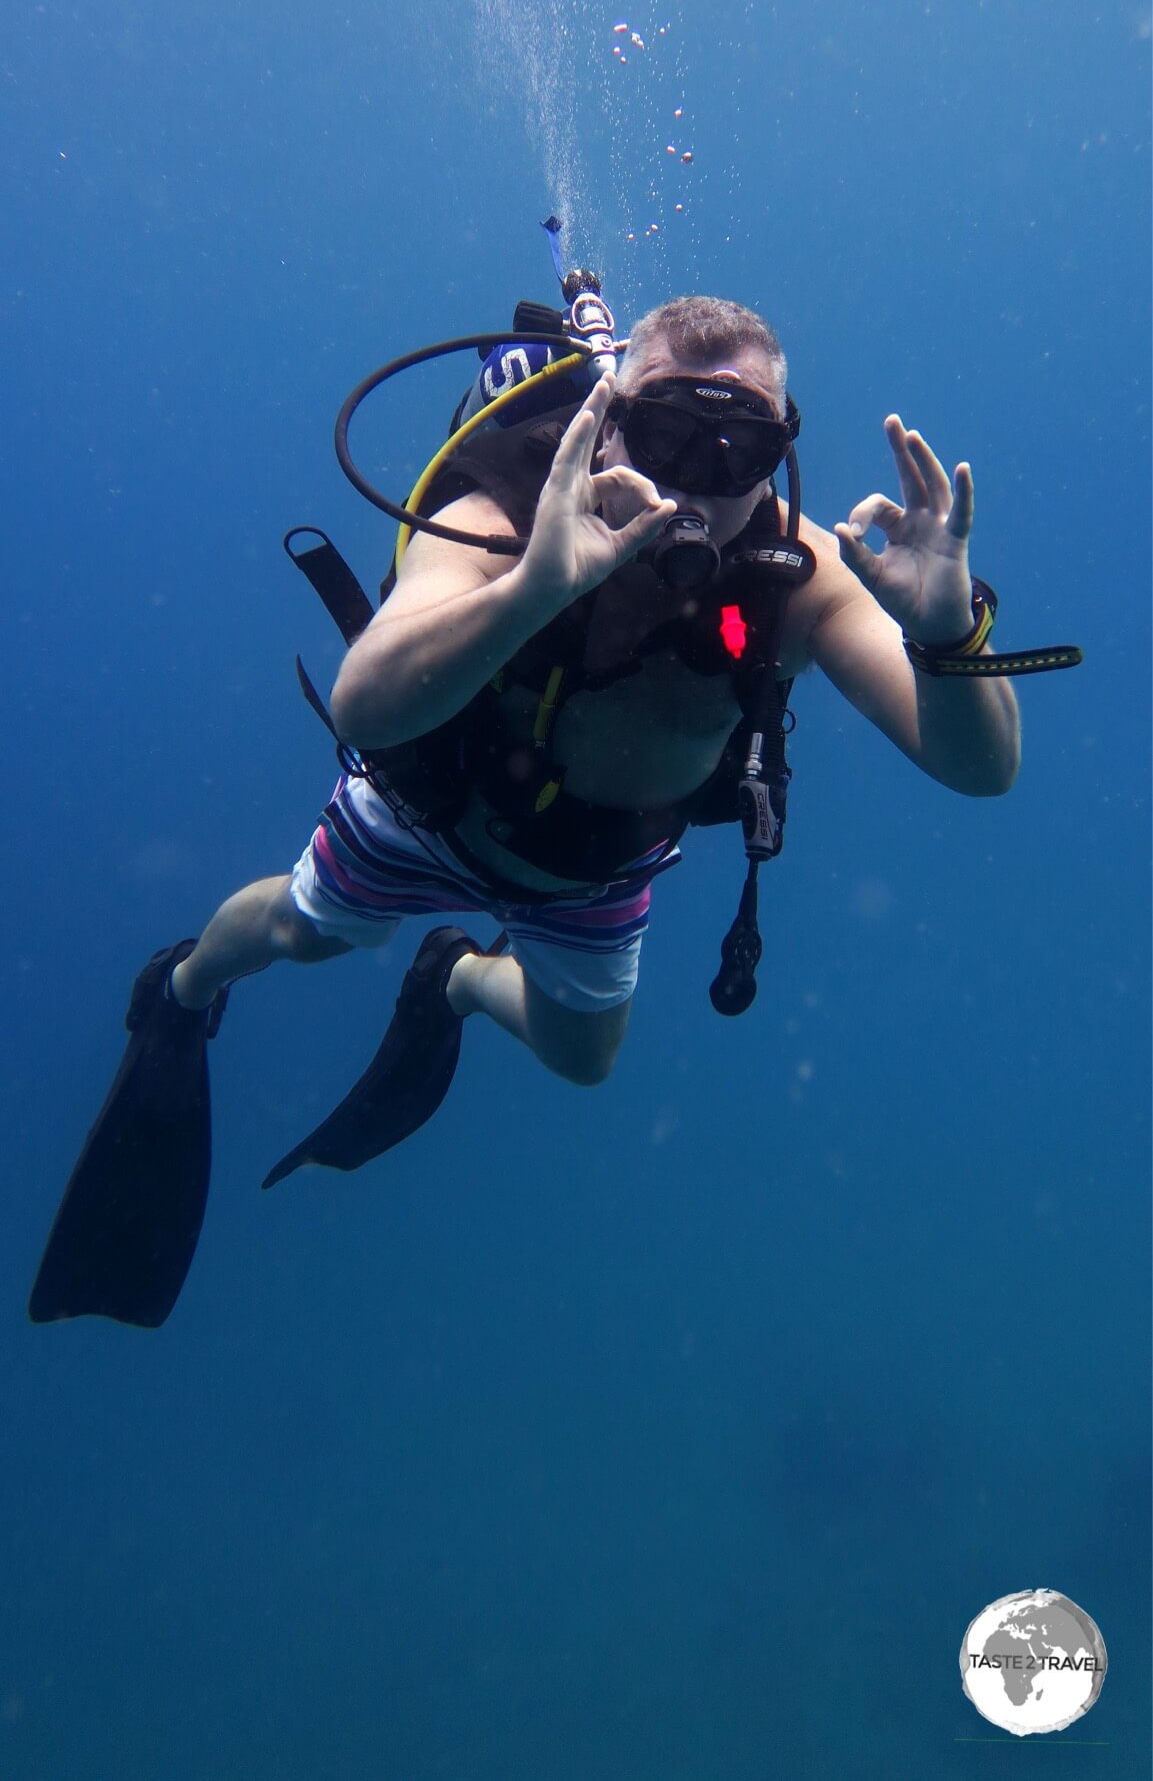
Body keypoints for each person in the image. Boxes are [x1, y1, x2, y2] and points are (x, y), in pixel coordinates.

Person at [30, 295, 1021, 1328]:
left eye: (739, 448)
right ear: (612, 415)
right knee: (298, 930)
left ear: (779, 452)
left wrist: (948, 632)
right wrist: (532, 590)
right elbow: (367, 699)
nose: (696, 478)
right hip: (428, 815)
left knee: (584, 1058)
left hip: (596, 869)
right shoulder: (499, 504)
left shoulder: (802, 571)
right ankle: (182, 988)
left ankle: (452, 978)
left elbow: (978, 768)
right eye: (673, 432)